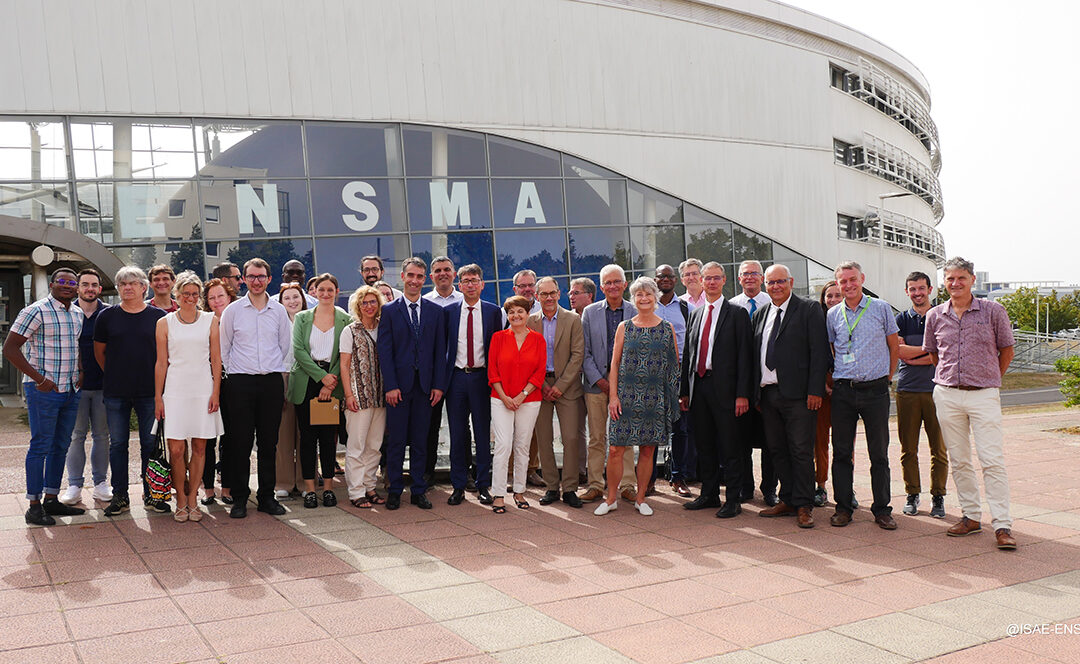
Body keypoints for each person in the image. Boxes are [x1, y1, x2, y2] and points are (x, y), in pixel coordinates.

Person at [923, 257, 1017, 550]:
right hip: (948, 394)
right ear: (944, 282)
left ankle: (1002, 524)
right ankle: (971, 516)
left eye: (961, 278)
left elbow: (1007, 350)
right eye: (950, 279)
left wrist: (988, 377)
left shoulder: (993, 311)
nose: (955, 283)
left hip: (984, 394)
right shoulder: (935, 315)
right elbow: (933, 354)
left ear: (972, 280)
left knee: (991, 460)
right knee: (960, 459)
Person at [3, 268, 86, 526]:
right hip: (43, 391)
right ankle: (34, 505)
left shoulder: (78, 313)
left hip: (70, 390)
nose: (67, 285)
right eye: (61, 281)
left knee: (61, 445)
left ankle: (51, 498)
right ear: (51, 284)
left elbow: (76, 345)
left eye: (72, 283)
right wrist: (40, 379)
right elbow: (10, 348)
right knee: (40, 446)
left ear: (76, 288)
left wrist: (81, 371)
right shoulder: (35, 311)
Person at [751, 265, 830, 528]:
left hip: (800, 395)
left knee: (800, 450)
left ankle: (805, 504)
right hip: (769, 393)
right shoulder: (762, 313)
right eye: (770, 282)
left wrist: (815, 390)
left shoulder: (808, 309)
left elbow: (819, 352)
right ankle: (788, 500)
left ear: (791, 282)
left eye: (780, 281)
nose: (775, 286)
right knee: (777, 449)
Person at [596, 275, 680, 517]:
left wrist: (670, 402)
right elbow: (614, 364)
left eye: (648, 294)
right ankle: (611, 498)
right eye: (639, 295)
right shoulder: (625, 327)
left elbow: (673, 368)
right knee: (615, 450)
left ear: (655, 298)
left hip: (654, 399)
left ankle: (641, 498)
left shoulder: (667, 329)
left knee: (647, 451)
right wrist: (613, 397)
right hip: (625, 398)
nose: (644, 298)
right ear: (634, 299)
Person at [826, 261, 900, 530]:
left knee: (878, 453)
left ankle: (882, 509)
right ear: (838, 284)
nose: (848, 285)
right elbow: (833, 349)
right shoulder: (833, 314)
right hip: (844, 391)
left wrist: (888, 378)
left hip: (875, 390)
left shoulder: (880, 308)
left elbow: (895, 346)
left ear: (862, 279)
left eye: (852, 279)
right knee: (841, 453)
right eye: (843, 282)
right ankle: (843, 508)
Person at [219, 258, 293, 518]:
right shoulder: (233, 311)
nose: (256, 281)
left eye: (261, 276)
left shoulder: (279, 311)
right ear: (244, 280)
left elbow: (286, 347)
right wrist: (236, 374)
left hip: (270, 382)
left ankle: (266, 498)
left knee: (268, 443)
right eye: (251, 276)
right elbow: (223, 349)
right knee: (240, 442)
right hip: (240, 383)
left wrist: (275, 374)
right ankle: (240, 498)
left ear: (269, 279)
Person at [679, 263, 752, 518]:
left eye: (715, 278)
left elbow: (746, 356)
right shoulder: (696, 314)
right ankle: (709, 494)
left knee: (730, 446)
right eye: (706, 278)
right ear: (700, 281)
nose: (710, 282)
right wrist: (684, 391)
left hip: (728, 391)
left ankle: (733, 499)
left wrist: (743, 394)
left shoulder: (737, 313)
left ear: (723, 281)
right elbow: (689, 354)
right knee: (705, 444)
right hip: (699, 388)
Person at [95, 266, 168, 516]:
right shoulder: (106, 317)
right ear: (118, 288)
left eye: (132, 283)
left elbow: (164, 355)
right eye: (122, 284)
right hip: (116, 391)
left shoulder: (158, 316)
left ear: (143, 287)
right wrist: (117, 373)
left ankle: (152, 495)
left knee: (150, 443)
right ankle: (120, 496)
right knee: (118, 444)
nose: (127, 287)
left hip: (150, 391)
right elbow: (99, 353)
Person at [376, 257, 447, 510]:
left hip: (426, 388)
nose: (415, 280)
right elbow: (385, 351)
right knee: (396, 441)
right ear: (403, 278)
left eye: (419, 276)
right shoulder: (389, 311)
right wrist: (391, 386)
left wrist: (439, 385)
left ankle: (418, 490)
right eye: (411, 276)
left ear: (424, 279)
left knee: (420, 441)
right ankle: (395, 489)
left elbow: (441, 352)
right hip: (399, 389)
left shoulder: (436, 312)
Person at [153, 272, 224, 522]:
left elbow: (216, 359)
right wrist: (158, 397)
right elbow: (161, 363)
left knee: (201, 446)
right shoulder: (165, 323)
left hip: (203, 388)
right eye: (186, 294)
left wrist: (215, 391)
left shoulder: (210, 320)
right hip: (174, 390)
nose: (190, 298)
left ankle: (193, 497)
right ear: (177, 295)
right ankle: (180, 498)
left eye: (195, 294)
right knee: (176, 449)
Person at [289, 274, 351, 508]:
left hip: (332, 383)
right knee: (307, 438)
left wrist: (329, 381)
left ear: (336, 291)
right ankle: (309, 490)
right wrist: (321, 377)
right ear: (313, 292)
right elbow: (298, 351)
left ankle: (328, 488)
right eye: (320, 290)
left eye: (330, 290)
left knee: (328, 439)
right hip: (307, 382)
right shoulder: (303, 318)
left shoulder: (345, 319)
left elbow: (344, 353)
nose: (325, 294)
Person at [443, 264, 499, 506]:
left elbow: (498, 349)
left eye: (475, 280)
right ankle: (457, 486)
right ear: (459, 285)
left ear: (482, 284)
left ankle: (483, 485)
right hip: (455, 378)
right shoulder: (449, 312)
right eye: (465, 281)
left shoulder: (494, 312)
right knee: (457, 434)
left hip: (482, 378)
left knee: (483, 434)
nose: (470, 284)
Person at [580, 265, 637, 502]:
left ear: (625, 284)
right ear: (601, 287)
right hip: (595, 386)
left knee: (625, 437)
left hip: (626, 388)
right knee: (596, 438)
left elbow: (638, 352)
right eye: (608, 283)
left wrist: (620, 384)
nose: (613, 286)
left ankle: (627, 485)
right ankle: (595, 484)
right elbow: (584, 352)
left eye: (617, 282)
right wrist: (602, 382)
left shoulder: (636, 311)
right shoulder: (590, 312)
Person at [528, 277, 585, 508]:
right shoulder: (530, 321)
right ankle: (552, 487)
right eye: (544, 294)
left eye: (552, 293)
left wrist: (560, 386)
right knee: (544, 439)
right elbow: (528, 357)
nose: (549, 298)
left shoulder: (573, 319)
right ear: (537, 296)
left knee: (571, 438)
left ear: (559, 294)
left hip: (568, 388)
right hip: (539, 387)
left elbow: (577, 355)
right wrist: (542, 384)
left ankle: (570, 488)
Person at [896, 271, 948, 519]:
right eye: (912, 289)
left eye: (921, 288)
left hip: (938, 390)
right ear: (907, 292)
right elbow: (899, 352)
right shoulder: (900, 319)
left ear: (930, 289)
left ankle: (938, 497)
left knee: (939, 449)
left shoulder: (940, 316)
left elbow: (942, 355)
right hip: (907, 390)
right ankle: (912, 494)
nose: (917, 293)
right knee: (909, 448)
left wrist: (913, 352)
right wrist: (928, 352)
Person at [58, 269, 112, 506]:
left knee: (102, 436)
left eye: (94, 285)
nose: (90, 288)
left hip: (104, 386)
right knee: (75, 436)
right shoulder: (70, 313)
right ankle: (74, 485)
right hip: (75, 386)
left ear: (99, 289)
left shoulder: (110, 313)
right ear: (78, 288)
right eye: (85, 284)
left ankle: (101, 483)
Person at [488, 295, 546, 513]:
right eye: (511, 312)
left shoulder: (538, 339)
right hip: (500, 399)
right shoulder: (498, 338)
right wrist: (504, 397)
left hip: (529, 400)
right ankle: (499, 493)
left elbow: (539, 372)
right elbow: (493, 372)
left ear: (528, 313)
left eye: (520, 311)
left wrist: (522, 395)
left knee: (522, 446)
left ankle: (520, 491)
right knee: (503, 445)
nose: (516, 315)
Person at [730, 260, 778, 506]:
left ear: (761, 278)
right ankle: (745, 487)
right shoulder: (730, 307)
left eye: (754, 274)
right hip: (739, 386)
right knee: (741, 441)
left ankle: (769, 488)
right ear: (739, 279)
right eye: (745, 274)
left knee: (771, 441)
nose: (749, 278)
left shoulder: (774, 305)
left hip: (767, 385)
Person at [340, 285, 387, 507]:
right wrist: (349, 395)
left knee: (374, 445)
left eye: (372, 301)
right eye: (364, 302)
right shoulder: (350, 331)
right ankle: (356, 492)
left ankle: (369, 487)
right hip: (358, 397)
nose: (369, 306)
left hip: (381, 396)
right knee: (356, 446)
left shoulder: (384, 328)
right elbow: (344, 364)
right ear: (358, 306)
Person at [653, 265, 694, 498]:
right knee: (651, 427)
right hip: (652, 375)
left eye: (669, 276)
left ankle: (678, 477)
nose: (666, 280)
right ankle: (648, 480)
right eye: (661, 276)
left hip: (679, 373)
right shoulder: (647, 305)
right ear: (655, 279)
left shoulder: (686, 308)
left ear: (675, 280)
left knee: (680, 428)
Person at [423, 256, 464, 487]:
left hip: (459, 373)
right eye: (438, 270)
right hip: (432, 375)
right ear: (432, 276)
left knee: (461, 428)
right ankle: (427, 473)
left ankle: (463, 473)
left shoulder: (465, 300)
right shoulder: (425, 302)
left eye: (447, 269)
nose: (443, 273)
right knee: (430, 425)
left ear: (454, 273)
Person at [199, 278, 236, 506]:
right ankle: (208, 490)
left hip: (234, 387)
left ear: (229, 296)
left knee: (231, 439)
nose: (216, 301)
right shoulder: (203, 322)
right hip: (207, 387)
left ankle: (228, 488)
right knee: (207, 439)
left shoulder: (238, 319)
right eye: (211, 297)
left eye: (220, 296)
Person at [275, 282, 307, 499]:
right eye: (287, 298)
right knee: (283, 433)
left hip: (306, 376)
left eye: (296, 297)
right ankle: (283, 482)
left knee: (305, 433)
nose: (292, 301)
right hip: (282, 376)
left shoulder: (310, 320)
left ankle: (306, 482)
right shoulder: (276, 322)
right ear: (281, 302)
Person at [813, 281, 843, 507]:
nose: (833, 299)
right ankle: (820, 486)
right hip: (822, 391)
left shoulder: (850, 320)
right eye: (828, 296)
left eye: (837, 295)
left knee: (845, 445)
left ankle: (846, 489)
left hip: (845, 390)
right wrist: (823, 384)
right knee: (819, 442)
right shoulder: (817, 323)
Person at [568, 277, 596, 483]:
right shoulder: (567, 319)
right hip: (575, 383)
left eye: (576, 292)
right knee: (576, 429)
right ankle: (580, 471)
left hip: (597, 382)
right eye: (570, 292)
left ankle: (601, 474)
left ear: (590, 296)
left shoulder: (598, 316)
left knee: (599, 431)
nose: (571, 296)